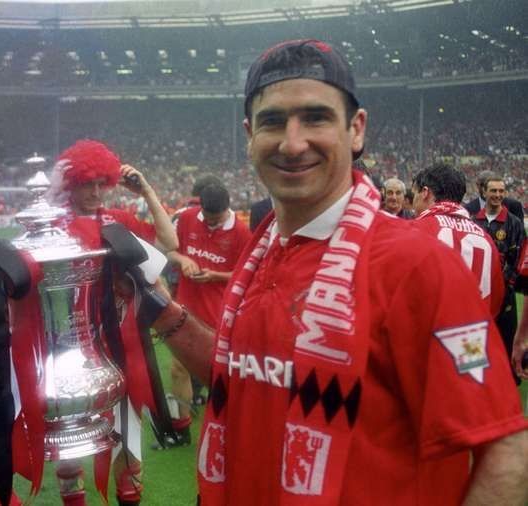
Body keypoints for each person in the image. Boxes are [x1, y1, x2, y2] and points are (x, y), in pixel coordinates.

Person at [146, 39, 528, 505]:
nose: (292, 142)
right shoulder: (261, 254)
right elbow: (252, 377)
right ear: (249, 136)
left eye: (316, 117)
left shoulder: (419, 264)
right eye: (272, 122)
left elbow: (505, 448)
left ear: (357, 129)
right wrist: (160, 310)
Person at [47, 139, 178, 506]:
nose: (93, 192)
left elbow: (169, 242)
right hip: (70, 348)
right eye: (85, 183)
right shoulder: (54, 227)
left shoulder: (118, 221)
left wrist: (147, 191)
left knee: (127, 433)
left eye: (99, 184)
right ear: (72, 184)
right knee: (69, 445)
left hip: (121, 345)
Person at [165, 182, 252, 447]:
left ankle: (229, 430)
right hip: (185, 305)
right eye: (210, 218)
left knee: (216, 374)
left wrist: (215, 276)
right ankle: (181, 430)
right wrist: (183, 261)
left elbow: (246, 275)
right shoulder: (188, 218)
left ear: (227, 209)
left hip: (218, 312)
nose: (214, 222)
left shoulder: (241, 232)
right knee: (178, 368)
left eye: (219, 218)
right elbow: (170, 249)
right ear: (201, 208)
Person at [411, 163, 504, 314]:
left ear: (425, 192)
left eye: (414, 193)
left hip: (429, 333)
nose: (414, 202)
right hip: (474, 334)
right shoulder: (486, 240)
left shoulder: (415, 231)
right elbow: (496, 297)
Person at [473, 173, 526, 384]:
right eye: (493, 190)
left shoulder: (513, 223)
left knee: (506, 340)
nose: (497, 195)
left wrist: (506, 286)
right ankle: (477, 380)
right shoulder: (473, 220)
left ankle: (508, 382)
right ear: (483, 192)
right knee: (478, 339)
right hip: (478, 295)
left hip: (505, 295)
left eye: (501, 191)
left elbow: (519, 259)